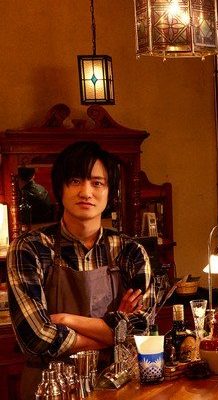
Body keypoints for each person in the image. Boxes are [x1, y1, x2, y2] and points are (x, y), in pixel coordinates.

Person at [8, 141, 152, 399]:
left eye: (97, 183)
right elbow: (36, 338)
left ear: (109, 192)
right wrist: (113, 333)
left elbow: (142, 329)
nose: (86, 192)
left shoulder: (130, 252)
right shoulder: (30, 248)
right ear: (60, 189)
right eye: (75, 181)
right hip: (50, 388)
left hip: (117, 386)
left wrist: (66, 319)